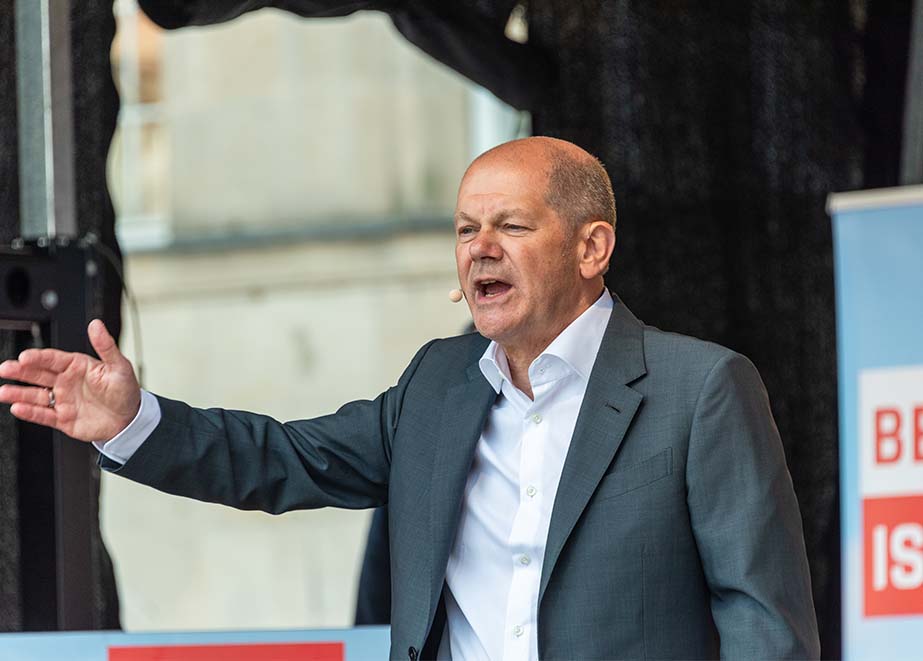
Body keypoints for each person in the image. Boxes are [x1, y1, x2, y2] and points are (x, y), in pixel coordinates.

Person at [0, 137, 820, 660]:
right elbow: (283, 458)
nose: (480, 250)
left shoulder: (698, 387)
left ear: (591, 247)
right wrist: (134, 422)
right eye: (465, 230)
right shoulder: (438, 384)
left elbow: (763, 622)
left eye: (511, 226)